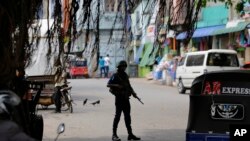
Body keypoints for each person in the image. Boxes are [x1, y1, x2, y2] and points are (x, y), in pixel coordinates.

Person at [107, 60, 141, 141]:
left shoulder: (125, 75)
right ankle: (114, 135)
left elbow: (129, 85)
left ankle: (130, 134)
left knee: (127, 117)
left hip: (126, 99)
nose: (124, 68)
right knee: (117, 117)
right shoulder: (115, 75)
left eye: (125, 66)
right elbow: (108, 84)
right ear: (119, 67)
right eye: (123, 66)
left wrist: (133, 93)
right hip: (119, 99)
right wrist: (117, 85)